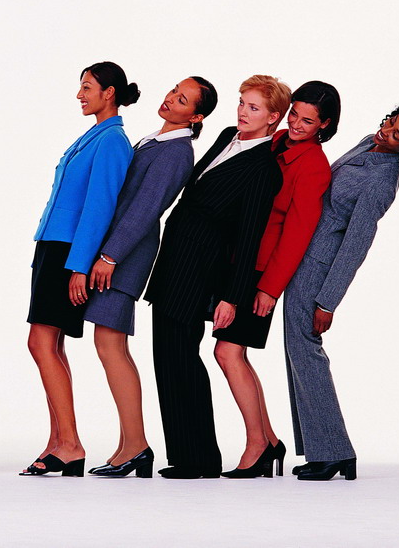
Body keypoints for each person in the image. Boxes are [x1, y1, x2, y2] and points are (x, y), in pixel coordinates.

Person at [286, 101, 399, 481]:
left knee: (305, 349)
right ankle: (322, 449)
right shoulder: (368, 143)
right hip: (304, 253)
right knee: (298, 350)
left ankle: (335, 453)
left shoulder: (380, 183)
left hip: (320, 269)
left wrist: (328, 302)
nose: (386, 132)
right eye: (391, 122)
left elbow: (355, 246)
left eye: (397, 135)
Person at [145, 75, 285, 479]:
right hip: (174, 256)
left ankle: (199, 458)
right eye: (242, 102)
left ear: (273, 117)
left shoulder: (264, 169)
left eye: (254, 107)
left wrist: (232, 297)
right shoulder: (226, 135)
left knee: (181, 355)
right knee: (167, 355)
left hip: (202, 267)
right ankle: (186, 454)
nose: (243, 111)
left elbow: (249, 236)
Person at [86, 77, 218, 479]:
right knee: (110, 344)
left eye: (182, 100)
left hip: (126, 254)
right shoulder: (156, 141)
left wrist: (110, 255)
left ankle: (136, 447)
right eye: (174, 91)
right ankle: (130, 445)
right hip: (117, 251)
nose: (170, 99)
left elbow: (146, 208)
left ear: (195, 117)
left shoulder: (177, 151)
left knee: (110, 343)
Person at [211, 80, 339, 478]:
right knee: (231, 353)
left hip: (261, 270)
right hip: (239, 260)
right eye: (294, 115)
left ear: (324, 124)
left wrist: (270, 288)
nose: (296, 125)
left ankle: (257, 445)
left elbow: (298, 233)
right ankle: (267, 440)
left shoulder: (313, 165)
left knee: (227, 352)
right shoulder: (277, 140)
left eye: (308, 121)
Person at [21, 62, 138, 477]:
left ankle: (70, 444)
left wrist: (79, 267)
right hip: (54, 246)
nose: (80, 95)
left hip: (69, 251)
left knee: (41, 342)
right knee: (47, 344)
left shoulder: (112, 141)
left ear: (110, 93)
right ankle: (59, 441)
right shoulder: (95, 135)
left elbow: (100, 207)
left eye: (87, 87)